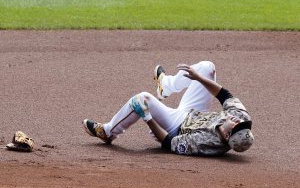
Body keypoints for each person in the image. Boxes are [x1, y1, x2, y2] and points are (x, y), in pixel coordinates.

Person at [82, 61, 254, 156]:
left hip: (175, 126)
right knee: (207, 68)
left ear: (225, 135)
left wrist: (148, 118)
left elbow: (169, 143)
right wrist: (199, 78)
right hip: (196, 112)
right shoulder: (241, 116)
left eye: (236, 126)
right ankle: (166, 85)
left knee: (142, 99)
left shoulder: (205, 142)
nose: (239, 121)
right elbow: (224, 94)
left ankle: (107, 132)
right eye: (242, 124)